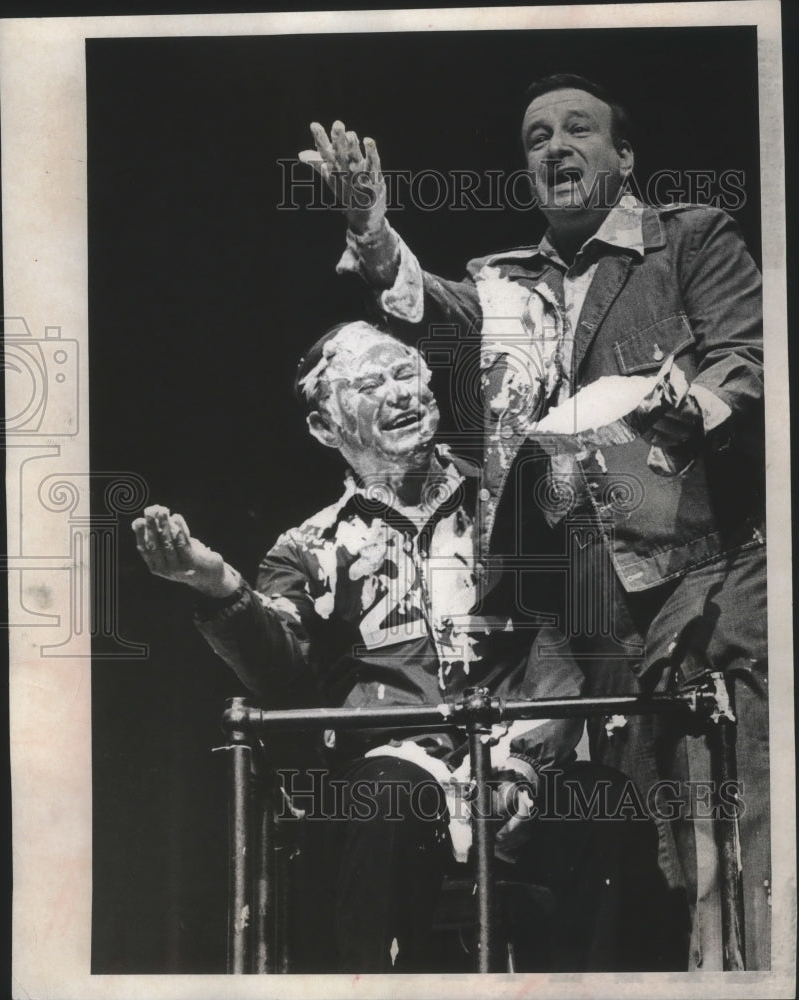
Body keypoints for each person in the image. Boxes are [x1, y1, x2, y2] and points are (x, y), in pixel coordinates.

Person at [300, 74, 769, 970]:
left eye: (578, 130)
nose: (554, 147)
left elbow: (747, 358)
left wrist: (697, 408)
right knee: (650, 854)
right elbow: (435, 310)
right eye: (536, 136)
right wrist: (370, 230)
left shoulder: (690, 237)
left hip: (705, 576)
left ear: (623, 156)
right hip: (589, 608)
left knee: (730, 822)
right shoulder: (509, 286)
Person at [133, 320, 664, 973]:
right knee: (389, 794)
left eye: (405, 372)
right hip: (391, 784)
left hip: (517, 766)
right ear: (325, 428)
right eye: (368, 383)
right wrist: (214, 584)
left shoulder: (516, 509)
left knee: (608, 802)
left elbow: (563, 644)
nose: (398, 393)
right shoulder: (309, 549)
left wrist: (521, 762)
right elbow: (279, 659)